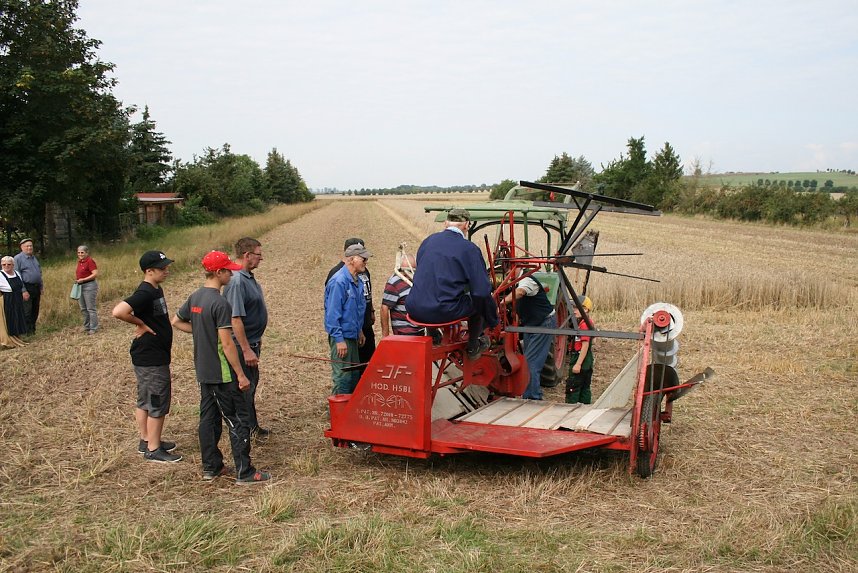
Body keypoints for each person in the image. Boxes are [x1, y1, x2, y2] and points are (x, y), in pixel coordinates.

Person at [172, 250, 271, 484]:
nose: (231, 274)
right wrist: (241, 375)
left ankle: (211, 467)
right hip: (223, 373)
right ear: (218, 273)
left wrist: (201, 333)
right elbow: (227, 345)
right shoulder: (220, 303)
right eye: (227, 271)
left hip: (203, 372)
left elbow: (176, 321)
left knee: (208, 419)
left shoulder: (195, 297)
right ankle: (245, 472)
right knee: (238, 419)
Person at [112, 250, 181, 463]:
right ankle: (154, 448)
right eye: (162, 268)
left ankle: (146, 439)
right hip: (151, 357)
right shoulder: (145, 292)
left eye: (167, 267)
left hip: (151, 355)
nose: (166, 271)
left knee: (144, 400)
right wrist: (140, 323)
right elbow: (118, 311)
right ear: (149, 271)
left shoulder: (154, 288)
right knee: (157, 400)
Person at [406, 208, 498, 358]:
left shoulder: (427, 241)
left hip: (414, 308)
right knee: (478, 301)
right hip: (443, 310)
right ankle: (473, 346)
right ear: (467, 225)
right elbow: (481, 292)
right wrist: (492, 320)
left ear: (445, 223)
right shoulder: (469, 249)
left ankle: (433, 334)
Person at [222, 237, 270, 442]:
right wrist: (246, 349)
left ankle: (252, 426)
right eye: (258, 254)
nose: (261, 258)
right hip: (244, 346)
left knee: (251, 385)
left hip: (252, 342)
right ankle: (242, 431)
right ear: (247, 255)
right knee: (244, 389)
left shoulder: (248, 278)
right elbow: (235, 319)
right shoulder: (236, 281)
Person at [324, 243, 370, 394]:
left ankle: (348, 412)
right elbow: (332, 314)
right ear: (351, 259)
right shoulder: (339, 281)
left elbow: (358, 310)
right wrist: (339, 340)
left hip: (353, 336)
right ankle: (337, 414)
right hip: (342, 338)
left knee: (354, 375)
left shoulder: (358, 281)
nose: (366, 261)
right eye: (363, 258)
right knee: (343, 377)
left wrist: (360, 331)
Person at [501, 273, 556, 400]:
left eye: (510, 267)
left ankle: (533, 398)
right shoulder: (513, 283)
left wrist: (501, 303)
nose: (508, 271)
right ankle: (528, 393)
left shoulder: (527, 280)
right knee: (528, 360)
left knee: (530, 363)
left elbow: (520, 292)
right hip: (530, 323)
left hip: (543, 322)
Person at [380, 254, 423, 337]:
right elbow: (384, 308)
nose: (409, 274)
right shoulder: (394, 283)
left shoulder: (418, 279)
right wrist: (385, 335)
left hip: (421, 329)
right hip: (404, 332)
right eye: (407, 271)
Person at [566, 296, 595, 404]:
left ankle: (570, 411)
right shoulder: (587, 323)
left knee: (573, 388)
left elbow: (585, 345)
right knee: (584, 388)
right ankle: (585, 409)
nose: (573, 310)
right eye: (573, 307)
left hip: (580, 358)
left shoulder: (584, 325)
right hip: (587, 360)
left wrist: (578, 364)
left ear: (586, 309)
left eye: (576, 308)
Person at [14, 239, 43, 335]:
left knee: (35, 309)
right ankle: (26, 332)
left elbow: (39, 273)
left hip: (36, 287)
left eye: (31, 246)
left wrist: (41, 286)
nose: (29, 248)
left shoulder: (33, 258)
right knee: (27, 311)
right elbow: (17, 276)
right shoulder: (18, 259)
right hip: (27, 287)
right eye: (27, 246)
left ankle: (32, 330)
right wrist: (23, 290)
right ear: (22, 247)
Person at [1, 256, 30, 342]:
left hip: (17, 298)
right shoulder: (0, 275)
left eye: (9, 264)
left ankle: (19, 336)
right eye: (4, 264)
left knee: (19, 316)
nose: (6, 266)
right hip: (7, 299)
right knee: (10, 318)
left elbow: (20, 285)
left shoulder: (17, 273)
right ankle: (11, 339)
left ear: (13, 265)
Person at [75, 245, 99, 334]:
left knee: (90, 308)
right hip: (80, 286)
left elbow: (95, 273)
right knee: (83, 308)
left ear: (86, 253)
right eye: (78, 252)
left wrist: (84, 279)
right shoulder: (80, 262)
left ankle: (93, 327)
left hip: (89, 286)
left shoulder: (90, 261)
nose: (80, 254)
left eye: (82, 252)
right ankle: (86, 326)